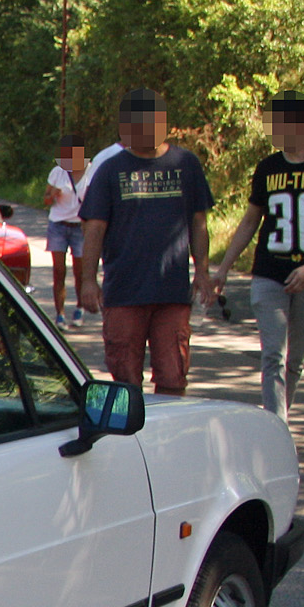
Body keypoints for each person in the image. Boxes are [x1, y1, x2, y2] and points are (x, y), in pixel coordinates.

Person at [212, 92, 304, 419]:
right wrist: (224, 267)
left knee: (295, 358)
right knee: (273, 354)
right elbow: (250, 221)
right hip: (268, 272)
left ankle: (278, 417)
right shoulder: (268, 167)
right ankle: (278, 427)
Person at [77, 89, 215, 395]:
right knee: (125, 381)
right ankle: (131, 440)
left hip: (172, 293)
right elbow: (94, 229)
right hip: (125, 292)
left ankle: (168, 439)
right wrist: (87, 280)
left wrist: (203, 273)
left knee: (173, 377)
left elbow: (198, 223)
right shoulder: (110, 170)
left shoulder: (186, 164)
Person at [42, 135, 92, 328]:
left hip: (80, 226)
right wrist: (52, 195)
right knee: (59, 270)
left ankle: (80, 308)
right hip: (58, 225)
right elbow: (45, 199)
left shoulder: (92, 171)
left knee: (80, 271)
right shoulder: (58, 172)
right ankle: (60, 314)